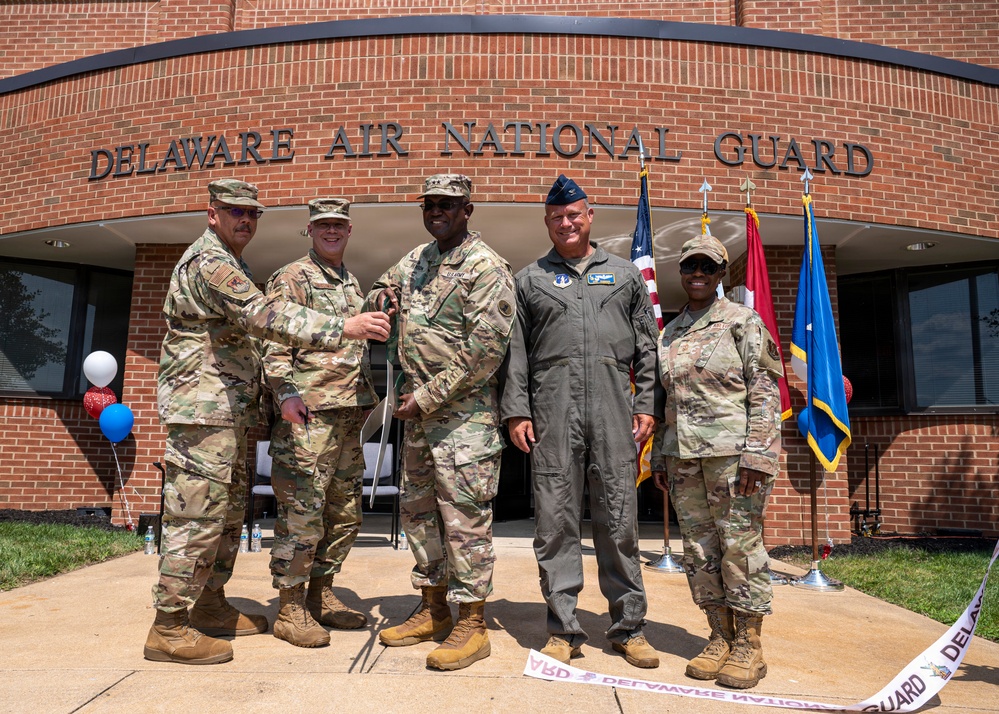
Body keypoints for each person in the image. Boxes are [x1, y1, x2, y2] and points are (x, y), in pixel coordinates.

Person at [146, 179, 391, 666]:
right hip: (202, 410)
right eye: (235, 212)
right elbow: (263, 316)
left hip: (228, 412)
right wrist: (340, 330)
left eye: (252, 214)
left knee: (228, 514)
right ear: (212, 213)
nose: (246, 220)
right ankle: (168, 627)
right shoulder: (209, 261)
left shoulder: (234, 260)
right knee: (196, 516)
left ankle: (211, 603)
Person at [501, 174, 662, 669]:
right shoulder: (530, 279)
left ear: (589, 217)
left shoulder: (624, 275)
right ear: (547, 223)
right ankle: (562, 627)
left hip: (614, 406)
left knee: (618, 517)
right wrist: (517, 410)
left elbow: (647, 346)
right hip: (552, 409)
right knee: (555, 521)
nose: (566, 223)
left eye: (574, 215)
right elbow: (516, 354)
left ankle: (628, 626)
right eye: (556, 217)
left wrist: (647, 403)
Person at [368, 173, 516, 671]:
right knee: (418, 514)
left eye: (448, 205)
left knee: (464, 523)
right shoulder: (417, 261)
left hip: (463, 422)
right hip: (417, 420)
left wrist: (426, 397)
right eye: (429, 204)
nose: (437, 211)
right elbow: (380, 288)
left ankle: (472, 622)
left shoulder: (486, 266)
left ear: (467, 210)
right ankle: (433, 609)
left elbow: (485, 352)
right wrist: (380, 300)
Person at [649, 233, 783, 689]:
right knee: (700, 551)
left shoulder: (743, 322)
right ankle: (719, 636)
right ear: (682, 273)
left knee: (739, 549)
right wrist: (659, 459)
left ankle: (749, 644)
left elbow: (765, 391)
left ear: (722, 274)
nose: (699, 275)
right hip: (683, 460)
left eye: (708, 267)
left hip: (733, 461)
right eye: (691, 267)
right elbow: (664, 399)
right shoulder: (670, 332)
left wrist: (757, 455)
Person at [261, 198, 379, 648]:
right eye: (323, 225)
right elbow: (271, 342)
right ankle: (290, 606)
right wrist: (285, 394)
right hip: (307, 415)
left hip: (347, 415)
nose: (332, 231)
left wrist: (364, 396)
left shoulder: (350, 282)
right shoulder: (291, 278)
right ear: (309, 230)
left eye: (339, 225)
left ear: (349, 230)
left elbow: (353, 350)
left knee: (344, 511)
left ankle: (321, 593)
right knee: (302, 512)